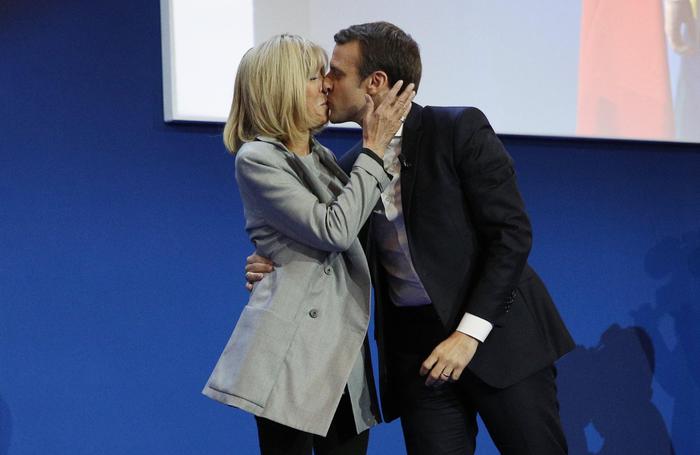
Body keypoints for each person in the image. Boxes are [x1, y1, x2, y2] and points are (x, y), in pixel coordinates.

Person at [246, 22, 575, 454]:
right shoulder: (348, 168)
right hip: (417, 357)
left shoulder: (457, 130)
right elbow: (329, 237)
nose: (327, 83)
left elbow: (511, 237)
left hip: (497, 338)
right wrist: (275, 262)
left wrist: (467, 335)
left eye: (338, 73)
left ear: (375, 83)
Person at [202, 34, 415, 455]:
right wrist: (373, 147)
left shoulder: (325, 159)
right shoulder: (259, 158)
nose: (327, 86)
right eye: (315, 76)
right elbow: (334, 230)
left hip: (342, 353)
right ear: (279, 87)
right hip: (292, 353)